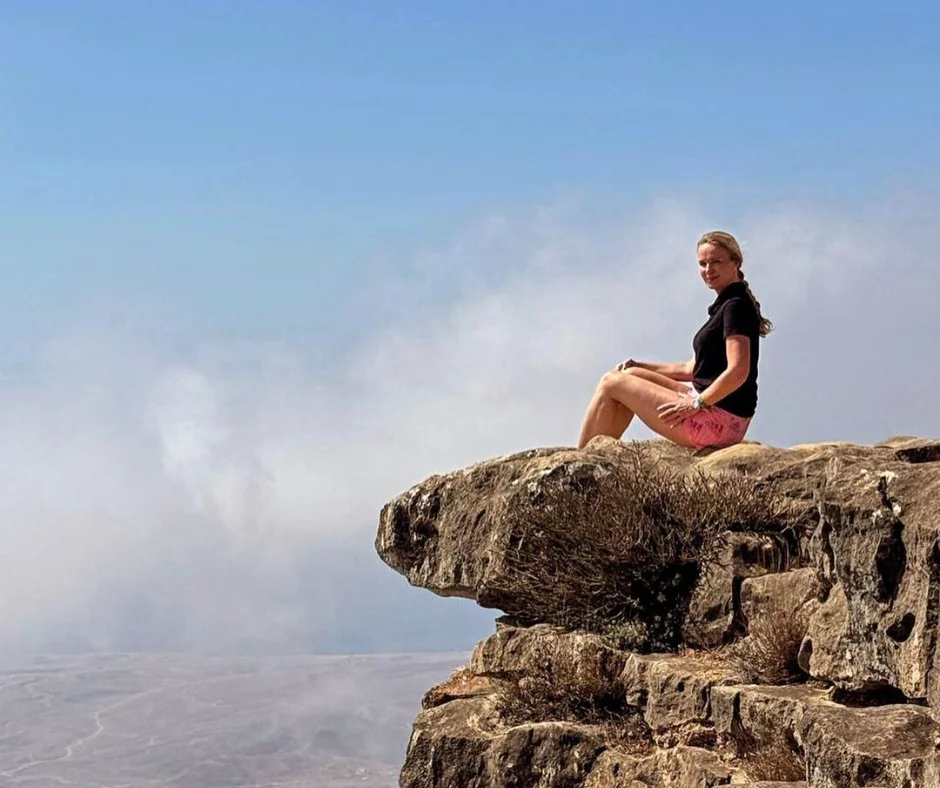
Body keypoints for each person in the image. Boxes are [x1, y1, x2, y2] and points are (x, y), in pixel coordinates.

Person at [577, 230, 772, 451]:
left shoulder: (735, 306)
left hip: (718, 422)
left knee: (610, 381)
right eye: (703, 263)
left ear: (736, 262)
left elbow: (738, 371)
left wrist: (697, 404)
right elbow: (692, 368)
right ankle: (595, 453)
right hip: (715, 412)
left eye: (716, 262)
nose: (709, 270)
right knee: (628, 375)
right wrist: (639, 365)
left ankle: (580, 459)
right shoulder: (728, 303)